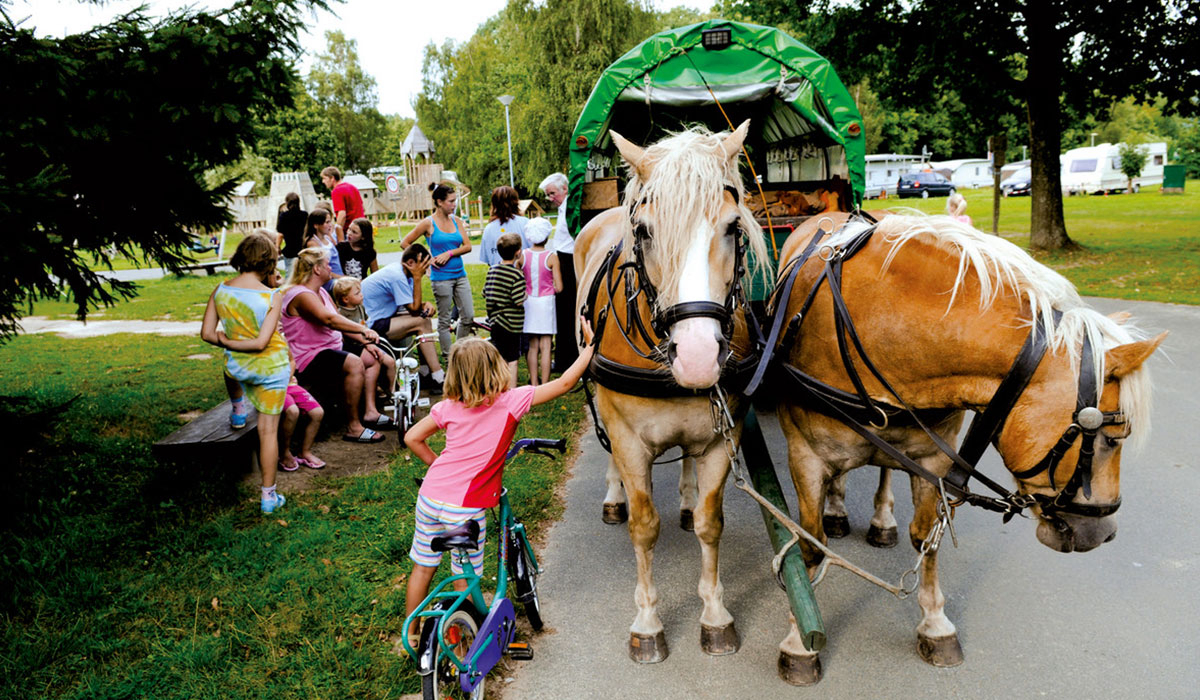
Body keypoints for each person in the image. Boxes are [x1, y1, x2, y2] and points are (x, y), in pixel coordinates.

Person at [402, 320, 595, 646]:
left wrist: (438, 466)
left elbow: (412, 437)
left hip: (430, 496)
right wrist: (589, 347)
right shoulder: (511, 401)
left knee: (423, 567)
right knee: (466, 575)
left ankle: (410, 632)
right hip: (466, 505)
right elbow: (564, 383)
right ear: (495, 368)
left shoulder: (446, 407)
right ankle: (465, 636)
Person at [199, 232, 290, 514]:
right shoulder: (272, 295)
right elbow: (262, 342)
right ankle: (268, 498)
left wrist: (226, 342)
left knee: (230, 369)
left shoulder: (221, 290)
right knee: (268, 431)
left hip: (238, 367)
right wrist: (234, 343)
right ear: (268, 262)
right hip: (271, 369)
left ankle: (238, 409)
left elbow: (206, 334)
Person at [281, 247, 392, 443]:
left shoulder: (321, 292)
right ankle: (354, 427)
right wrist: (363, 330)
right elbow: (329, 320)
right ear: (316, 269)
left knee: (371, 357)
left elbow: (338, 321)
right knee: (354, 363)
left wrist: (365, 342)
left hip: (330, 348)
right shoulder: (301, 295)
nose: (330, 267)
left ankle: (370, 412)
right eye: (326, 264)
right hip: (308, 356)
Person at [360, 244, 446, 392]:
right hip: (370, 326)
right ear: (411, 263)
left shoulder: (403, 272)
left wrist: (426, 304)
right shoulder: (397, 276)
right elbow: (413, 310)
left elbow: (412, 305)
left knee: (423, 318)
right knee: (420, 321)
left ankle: (426, 373)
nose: (425, 270)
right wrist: (418, 278)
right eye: (424, 266)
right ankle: (437, 377)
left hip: (383, 318)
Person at [401, 183, 474, 355]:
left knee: (468, 316)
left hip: (460, 275)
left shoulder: (456, 221)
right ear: (439, 202)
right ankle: (449, 357)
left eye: (454, 201)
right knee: (444, 319)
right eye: (451, 201)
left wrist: (449, 253)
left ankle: (459, 351)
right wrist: (427, 260)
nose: (454, 204)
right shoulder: (428, 223)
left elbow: (468, 246)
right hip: (441, 278)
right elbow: (405, 243)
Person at [333, 275, 396, 401]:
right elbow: (345, 332)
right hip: (355, 347)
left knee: (390, 362)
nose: (361, 295)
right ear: (346, 299)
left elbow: (364, 324)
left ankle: (393, 391)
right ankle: (378, 388)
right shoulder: (341, 314)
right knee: (375, 362)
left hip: (367, 343)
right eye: (357, 293)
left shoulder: (360, 307)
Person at [540, 172, 576, 372]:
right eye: (548, 194)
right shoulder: (563, 208)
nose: (550, 198)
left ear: (565, 189)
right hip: (562, 257)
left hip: (568, 260)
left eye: (553, 193)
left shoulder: (570, 208)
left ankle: (566, 359)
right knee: (563, 311)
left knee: (566, 310)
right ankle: (564, 358)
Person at [482, 233, 527, 388]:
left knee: (499, 358)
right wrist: (525, 295)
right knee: (512, 360)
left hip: (495, 323)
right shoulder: (516, 274)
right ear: (518, 253)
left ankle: (500, 388)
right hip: (511, 325)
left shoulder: (492, 270)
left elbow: (485, 292)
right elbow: (518, 300)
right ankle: (511, 391)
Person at [521, 218, 561, 386]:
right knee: (546, 345)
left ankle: (534, 383)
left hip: (528, 302)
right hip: (546, 303)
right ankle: (545, 383)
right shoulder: (552, 257)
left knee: (532, 346)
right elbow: (559, 287)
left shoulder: (522, 255)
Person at [279, 365, 326, 472]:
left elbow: (291, 360)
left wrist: (288, 376)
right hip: (274, 387)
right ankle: (284, 451)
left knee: (317, 412)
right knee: (292, 412)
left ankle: (305, 452)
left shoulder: (282, 347)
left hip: (291, 384)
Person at [479, 186, 528, 266]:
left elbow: (488, 259)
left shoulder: (489, 228)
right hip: (523, 274)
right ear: (515, 202)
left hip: (499, 276)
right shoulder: (526, 223)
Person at [303, 208, 343, 293]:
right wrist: (342, 278)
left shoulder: (328, 238)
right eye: (327, 222)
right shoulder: (313, 243)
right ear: (316, 225)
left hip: (338, 277)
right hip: (328, 280)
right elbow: (321, 268)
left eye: (330, 222)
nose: (330, 225)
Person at [321, 166, 365, 242]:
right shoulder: (352, 187)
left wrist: (337, 233)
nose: (323, 181)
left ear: (332, 178)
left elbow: (342, 215)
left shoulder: (337, 191)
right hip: (362, 228)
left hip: (350, 231)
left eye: (325, 178)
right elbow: (363, 208)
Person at [275, 192, 307, 276]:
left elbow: (280, 234)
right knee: (304, 273)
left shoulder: (284, 216)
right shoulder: (304, 215)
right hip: (303, 249)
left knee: (290, 274)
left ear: (287, 203)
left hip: (290, 250)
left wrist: (277, 247)